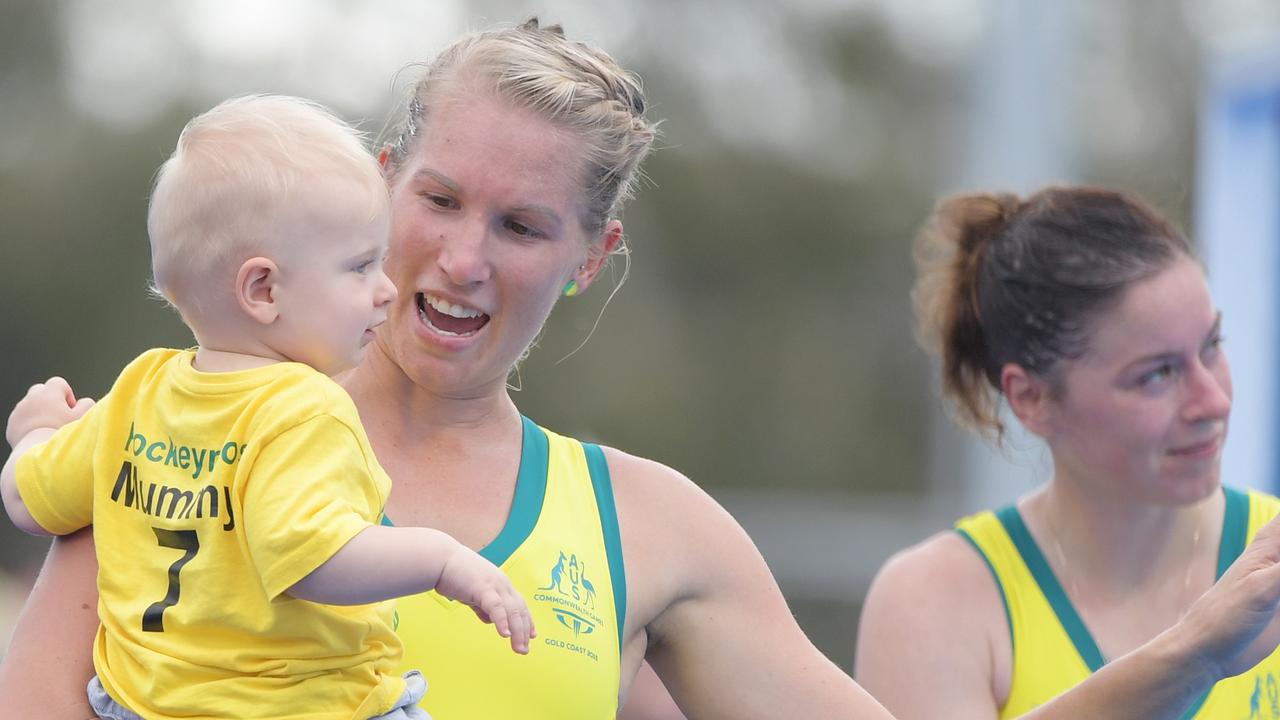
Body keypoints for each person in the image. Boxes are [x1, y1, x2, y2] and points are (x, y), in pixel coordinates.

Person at [9, 21, 1280, 720]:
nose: (458, 259)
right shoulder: (176, 426)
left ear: (589, 256)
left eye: (521, 227)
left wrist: (1191, 656)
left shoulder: (648, 529)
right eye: (439, 197)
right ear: (383, 178)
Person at [0, 94, 532, 720]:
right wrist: (442, 559)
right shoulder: (304, 408)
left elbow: (28, 503)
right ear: (263, 289)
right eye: (360, 267)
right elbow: (314, 559)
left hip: (138, 703)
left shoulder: (140, 390)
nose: (386, 290)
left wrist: (35, 432)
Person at [855, 185, 1280, 718]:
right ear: (1032, 399)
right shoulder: (935, 599)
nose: (1213, 400)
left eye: (1211, 347)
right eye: (1157, 374)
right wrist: (1194, 655)